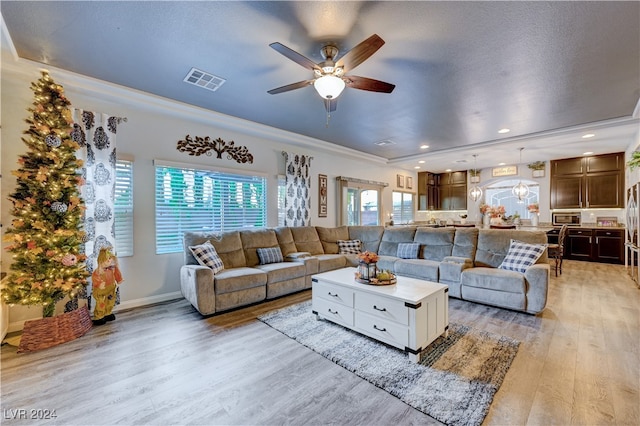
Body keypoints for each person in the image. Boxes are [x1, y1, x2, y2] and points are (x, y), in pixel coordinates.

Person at [91, 248, 124, 325]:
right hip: (101, 290)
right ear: (101, 260)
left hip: (110, 288)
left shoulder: (112, 268)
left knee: (110, 301)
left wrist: (119, 280)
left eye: (110, 258)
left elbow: (117, 274)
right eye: (107, 259)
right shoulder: (98, 271)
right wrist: (99, 284)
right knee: (101, 303)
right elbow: (95, 278)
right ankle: (99, 317)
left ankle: (108, 313)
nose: (109, 261)